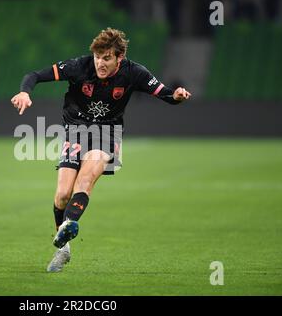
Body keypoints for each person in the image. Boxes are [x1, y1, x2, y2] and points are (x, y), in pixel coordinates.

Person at [11, 28, 191, 272]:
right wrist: (24, 91)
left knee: (84, 181)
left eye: (107, 58)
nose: (100, 63)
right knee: (63, 195)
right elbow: (34, 75)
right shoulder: (79, 66)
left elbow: (166, 94)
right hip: (75, 130)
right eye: (98, 56)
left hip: (107, 133)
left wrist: (177, 96)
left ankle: (71, 222)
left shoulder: (134, 72)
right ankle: (63, 249)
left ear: (120, 58)